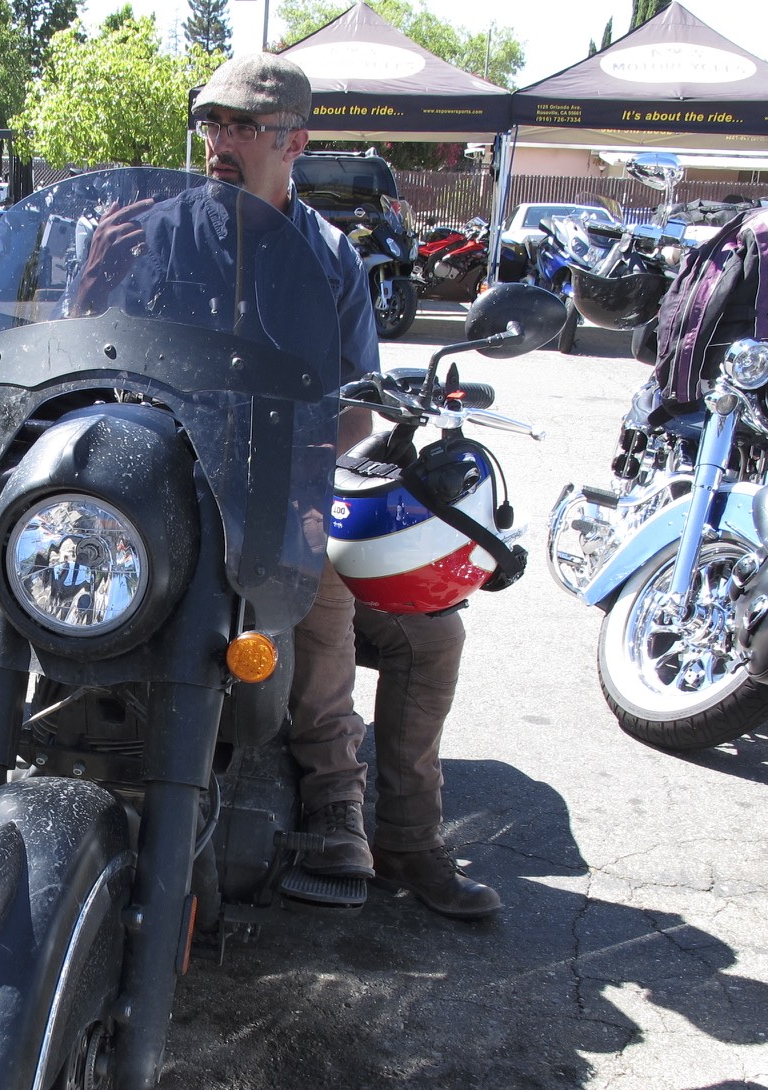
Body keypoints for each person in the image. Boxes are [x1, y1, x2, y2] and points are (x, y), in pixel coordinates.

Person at [187, 53, 500, 921]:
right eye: (214, 124)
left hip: (270, 488)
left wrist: (287, 471)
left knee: (415, 630)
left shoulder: (331, 264)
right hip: (156, 481)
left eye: (244, 127)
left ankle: (371, 819)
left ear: (297, 143)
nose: (222, 143)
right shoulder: (153, 232)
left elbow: (356, 407)